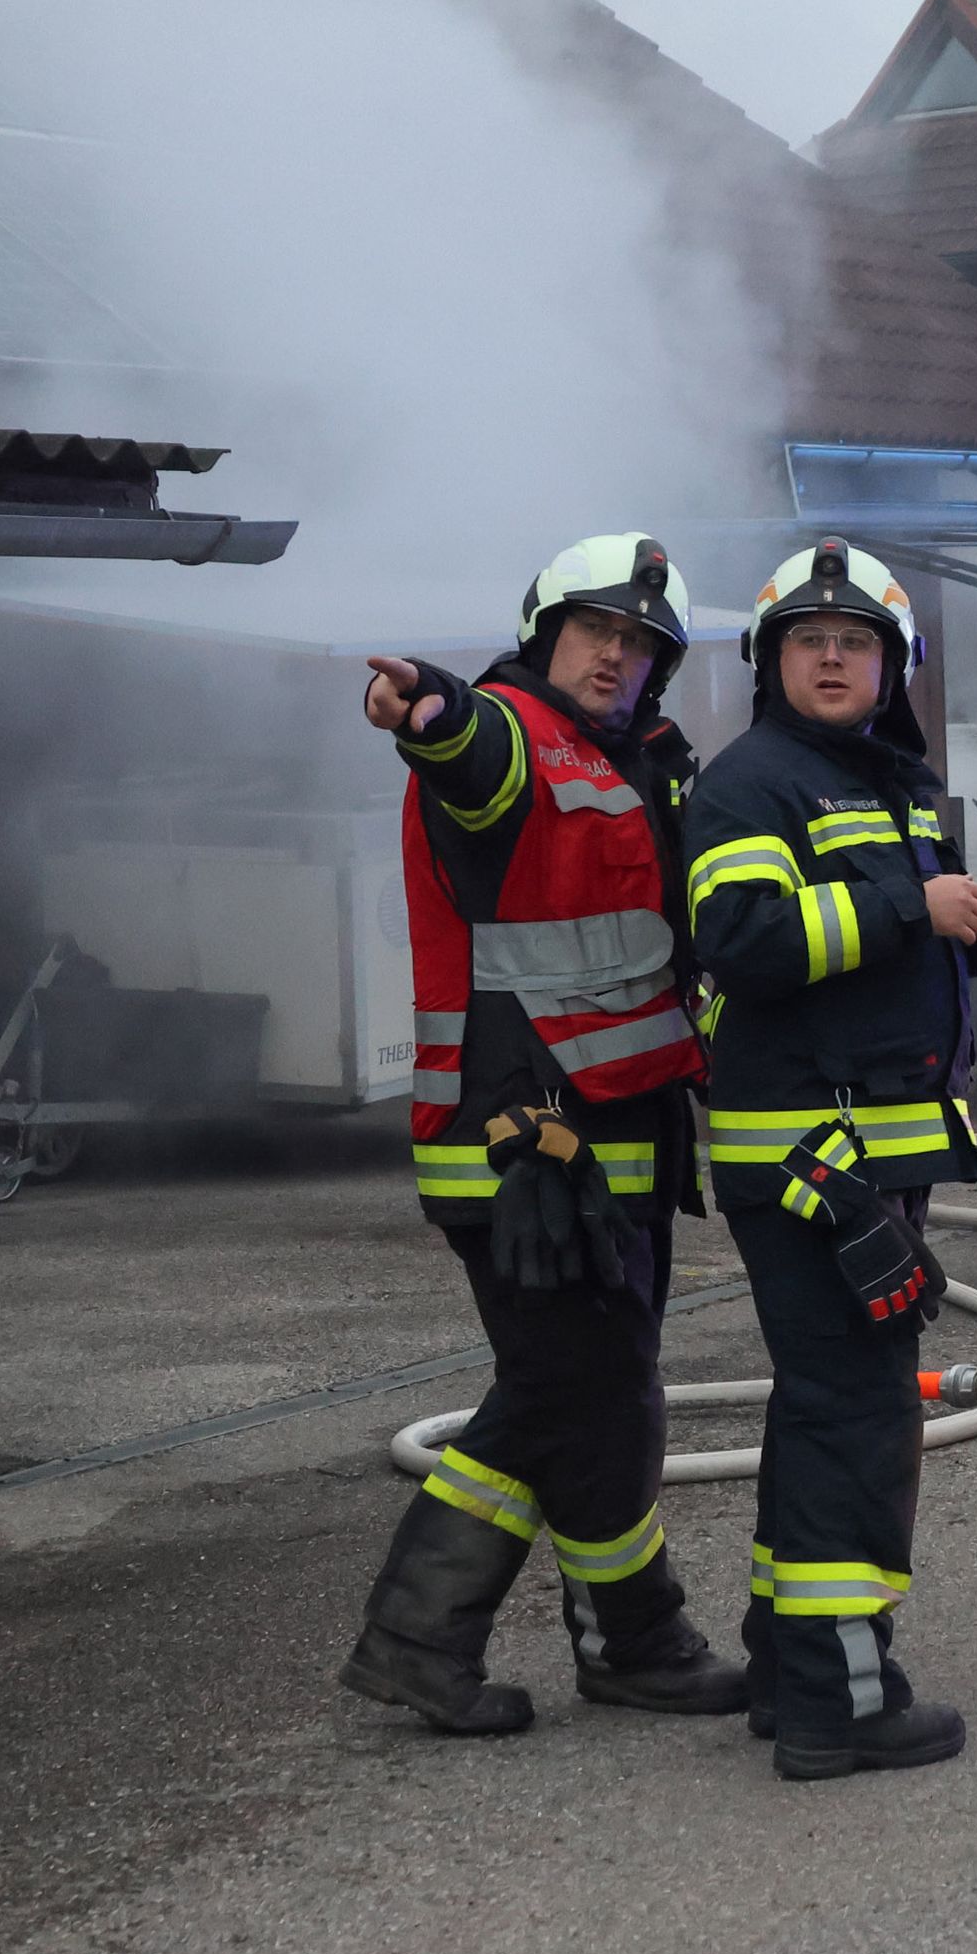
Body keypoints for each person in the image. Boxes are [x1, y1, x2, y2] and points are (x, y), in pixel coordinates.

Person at [339, 533, 747, 1735]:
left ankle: (619, 1640)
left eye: (639, 643)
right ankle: (481, 1639)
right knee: (570, 1389)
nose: (616, 654)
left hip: (614, 1144)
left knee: (598, 1393)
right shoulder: (517, 734)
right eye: (596, 631)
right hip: (521, 1152)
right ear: (542, 632)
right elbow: (463, 741)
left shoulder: (631, 762)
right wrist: (422, 701)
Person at [684, 538, 977, 1780]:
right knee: (857, 1411)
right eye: (808, 640)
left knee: (823, 1403)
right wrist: (911, 908)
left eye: (857, 642)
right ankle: (845, 1698)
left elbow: (868, 960)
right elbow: (742, 939)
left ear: (892, 666)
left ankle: (790, 1665)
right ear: (772, 660)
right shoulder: (751, 784)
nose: (833, 656)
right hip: (810, 1155)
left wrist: (972, 939)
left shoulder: (885, 783)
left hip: (864, 1147)